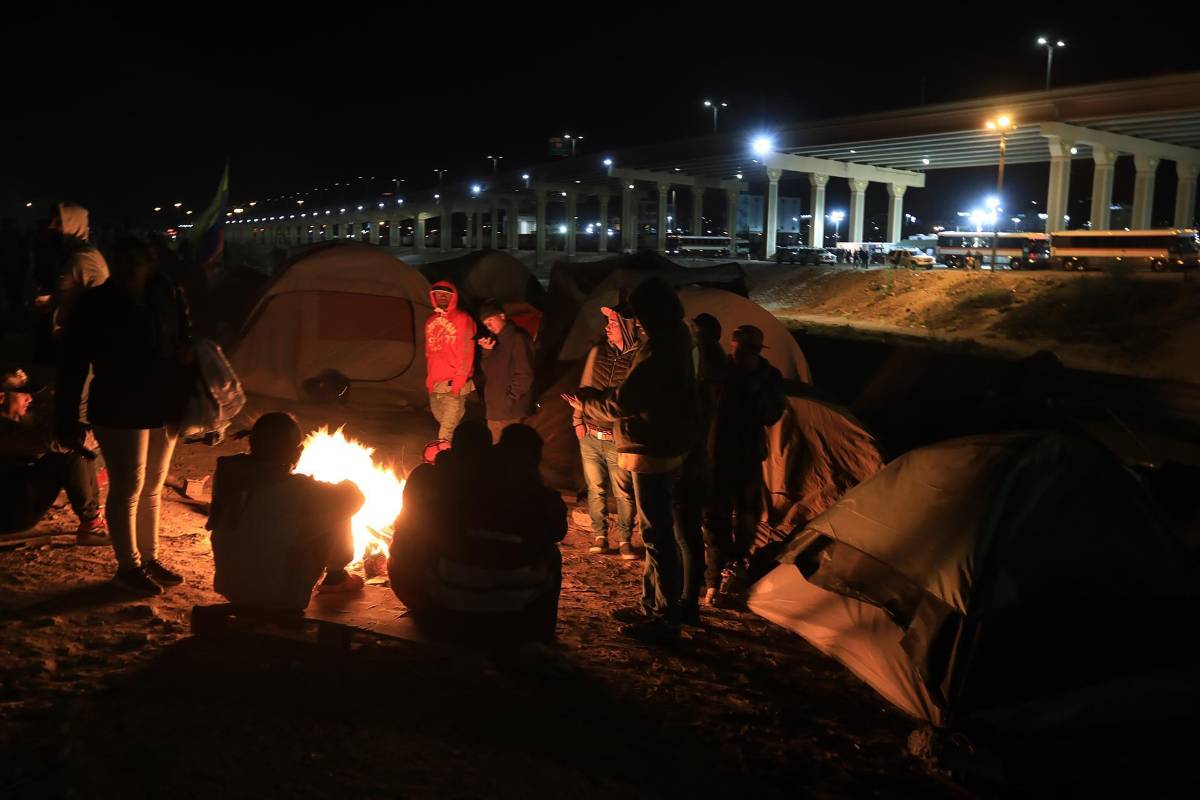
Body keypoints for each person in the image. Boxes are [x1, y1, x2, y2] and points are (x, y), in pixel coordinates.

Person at [565, 277, 700, 643]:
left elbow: (626, 401)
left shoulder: (660, 350)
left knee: (657, 536)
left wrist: (587, 403)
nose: (635, 323)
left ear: (651, 315)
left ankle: (665, 617)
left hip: (652, 450)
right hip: (658, 445)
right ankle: (650, 604)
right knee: (654, 532)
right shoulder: (671, 341)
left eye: (639, 317)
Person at [57, 237, 194, 596]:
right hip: (119, 403)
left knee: (152, 485)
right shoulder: (96, 303)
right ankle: (128, 566)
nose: (126, 267)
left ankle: (148, 559)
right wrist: (67, 417)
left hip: (162, 402)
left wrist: (185, 356)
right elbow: (72, 364)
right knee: (128, 486)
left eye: (135, 260)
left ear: (151, 263)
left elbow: (184, 336)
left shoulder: (165, 295)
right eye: (121, 260)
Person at [390, 422, 565, 643]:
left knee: (420, 540)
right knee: (552, 555)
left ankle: (436, 612)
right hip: (514, 602)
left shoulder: (450, 485)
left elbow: (423, 532)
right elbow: (556, 532)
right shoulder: (540, 497)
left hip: (449, 591)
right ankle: (540, 635)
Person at [207, 413, 365, 610]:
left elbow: (213, 522)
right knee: (339, 506)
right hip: (283, 596)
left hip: (231, 586)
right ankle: (336, 577)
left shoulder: (227, 472)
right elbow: (355, 497)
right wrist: (313, 529)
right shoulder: (300, 488)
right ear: (297, 453)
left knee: (325, 507)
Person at [703, 324, 786, 606]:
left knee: (746, 516)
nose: (739, 354)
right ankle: (714, 579)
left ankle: (735, 567)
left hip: (748, 456)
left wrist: (752, 389)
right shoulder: (720, 371)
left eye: (745, 350)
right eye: (736, 349)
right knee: (715, 519)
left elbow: (772, 415)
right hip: (716, 456)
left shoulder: (768, 377)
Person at [0, 367, 107, 544]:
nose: (29, 399)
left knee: (76, 448)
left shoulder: (18, 422)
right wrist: (89, 437)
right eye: (22, 394)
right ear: (2, 397)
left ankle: (95, 518)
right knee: (71, 450)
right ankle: (92, 524)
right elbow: (48, 442)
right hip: (9, 515)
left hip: (15, 505)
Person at [572, 301, 639, 558]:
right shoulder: (598, 352)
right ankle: (599, 534)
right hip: (590, 433)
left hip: (617, 437)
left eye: (613, 323)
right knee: (595, 487)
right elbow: (584, 386)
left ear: (626, 326)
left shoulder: (636, 359)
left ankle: (624, 538)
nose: (607, 327)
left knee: (623, 491)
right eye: (608, 323)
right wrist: (578, 420)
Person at [425, 280, 476, 442]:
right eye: (439, 294)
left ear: (453, 297)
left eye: (447, 295)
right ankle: (460, 456)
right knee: (450, 428)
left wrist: (457, 386)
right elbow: (429, 353)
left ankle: (443, 462)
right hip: (435, 386)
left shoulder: (463, 319)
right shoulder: (430, 321)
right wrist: (429, 383)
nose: (442, 297)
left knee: (445, 434)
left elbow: (467, 354)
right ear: (433, 296)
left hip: (454, 385)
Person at [478, 299, 535, 443]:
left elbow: (525, 374)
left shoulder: (518, 338)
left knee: (510, 453)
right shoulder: (493, 341)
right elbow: (488, 372)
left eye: (491, 319)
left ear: (502, 316)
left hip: (511, 412)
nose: (489, 325)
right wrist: (487, 352)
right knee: (496, 454)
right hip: (494, 411)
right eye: (486, 323)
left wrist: (509, 400)